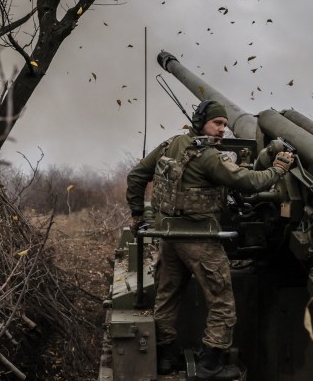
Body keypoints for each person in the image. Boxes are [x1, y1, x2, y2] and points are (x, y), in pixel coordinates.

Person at [126, 100, 294, 380]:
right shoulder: (210, 157)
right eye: (217, 123)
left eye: (225, 126)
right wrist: (278, 169)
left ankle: (165, 357)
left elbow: (137, 175)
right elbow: (250, 182)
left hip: (169, 236)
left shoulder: (171, 144)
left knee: (167, 296)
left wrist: (136, 213)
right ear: (200, 121)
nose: (221, 130)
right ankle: (211, 364)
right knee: (222, 301)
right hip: (201, 240)